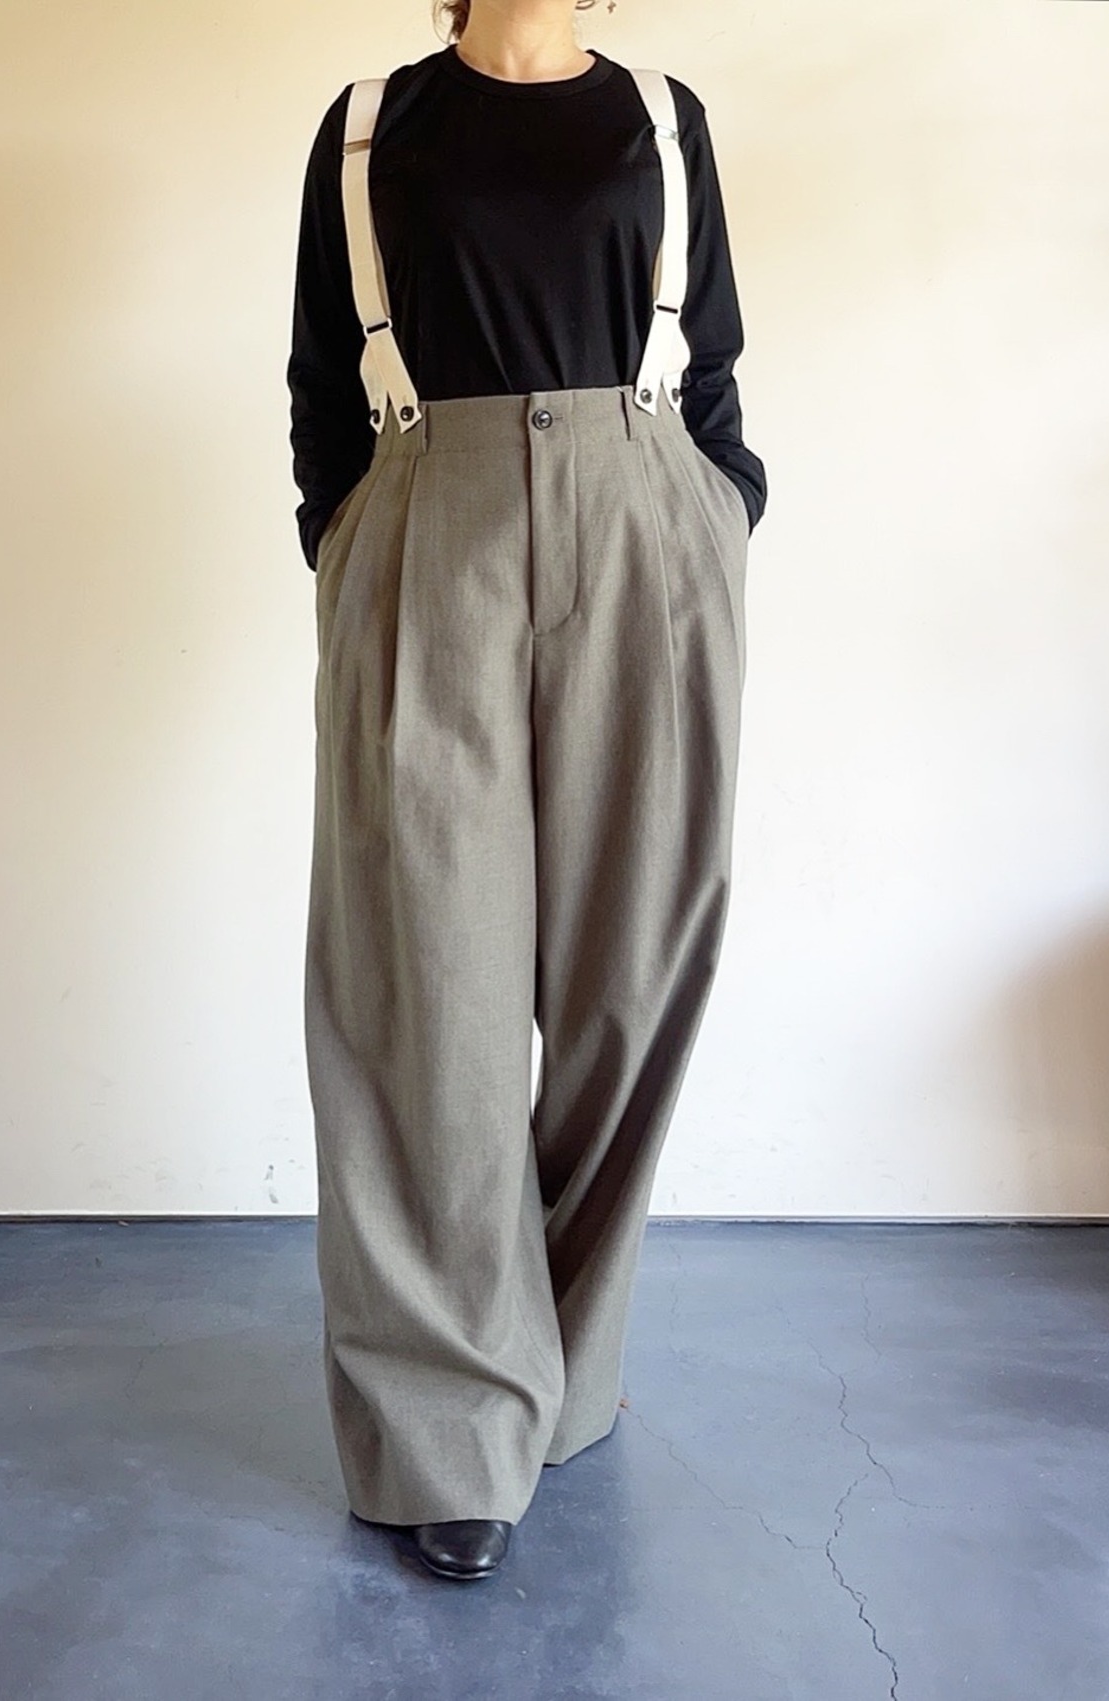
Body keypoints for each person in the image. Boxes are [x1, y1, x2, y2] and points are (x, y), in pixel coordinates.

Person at [286, 0, 766, 1582]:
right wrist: (353, 546)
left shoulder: (666, 119)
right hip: (435, 539)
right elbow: (322, 383)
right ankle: (447, 1431)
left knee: (632, 974)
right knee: (427, 992)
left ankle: (561, 1358)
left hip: (646, 538)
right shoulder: (372, 126)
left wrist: (717, 512)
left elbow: (712, 361)